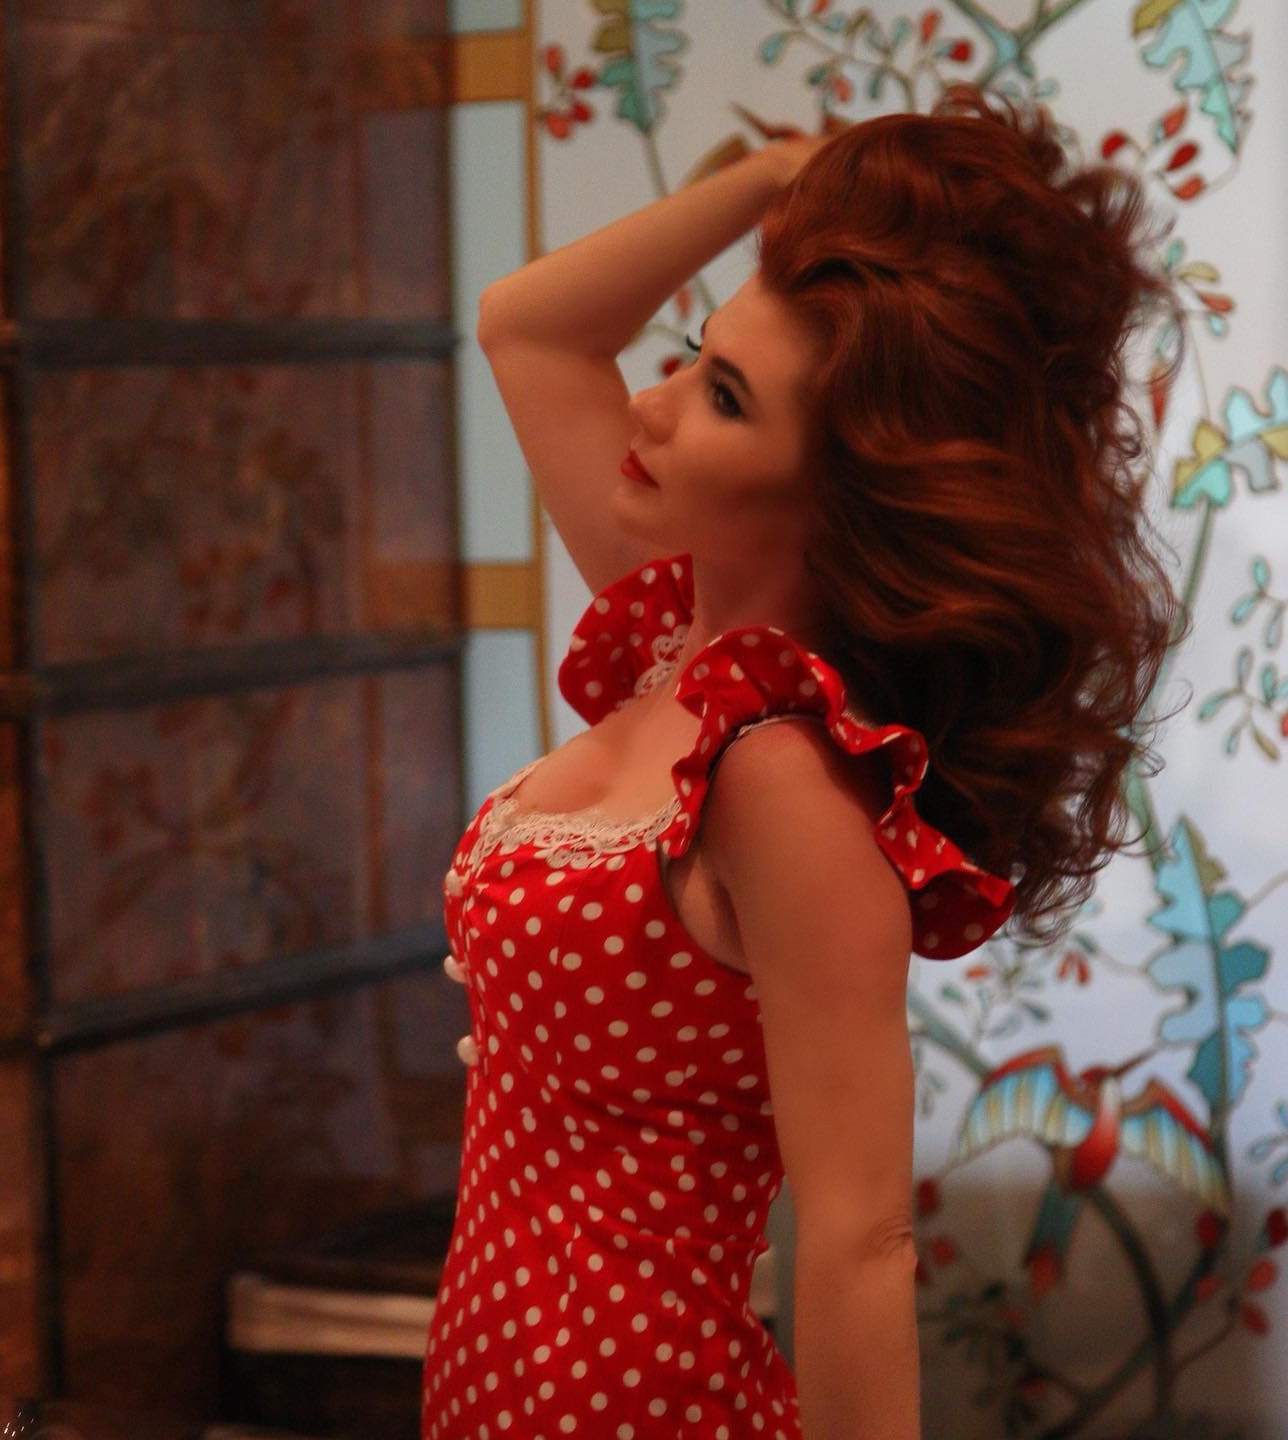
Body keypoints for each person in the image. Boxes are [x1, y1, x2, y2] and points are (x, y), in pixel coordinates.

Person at [422, 83, 1187, 1439]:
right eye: (691, 355)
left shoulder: (778, 771)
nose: (649, 408)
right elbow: (526, 326)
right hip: (492, 1387)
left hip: (650, 1410)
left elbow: (859, 1239)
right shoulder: (671, 631)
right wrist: (772, 179)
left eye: (721, 398)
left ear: (838, 492)